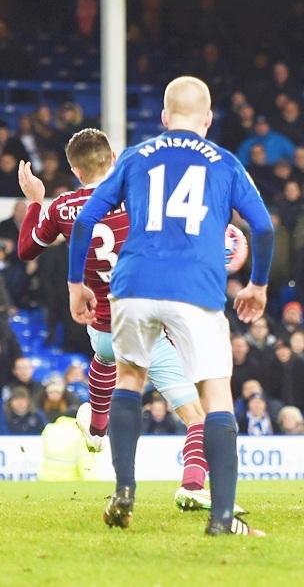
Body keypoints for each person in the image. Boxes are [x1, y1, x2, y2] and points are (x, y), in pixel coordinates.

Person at [66, 77, 273, 536]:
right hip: (194, 289)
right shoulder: (225, 162)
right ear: (208, 119)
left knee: (129, 379)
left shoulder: (137, 156)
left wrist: (75, 283)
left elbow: (85, 219)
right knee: (216, 396)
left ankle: (124, 490)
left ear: (163, 117)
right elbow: (263, 227)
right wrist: (257, 284)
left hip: (133, 284)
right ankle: (221, 519)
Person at [16, 129, 219, 512]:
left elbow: (26, 250)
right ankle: (192, 484)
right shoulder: (141, 199)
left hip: (102, 330)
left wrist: (35, 201)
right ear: (112, 155)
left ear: (75, 170)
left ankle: (95, 428)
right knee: (198, 416)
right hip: (144, 329)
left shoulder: (63, 208)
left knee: (106, 359)